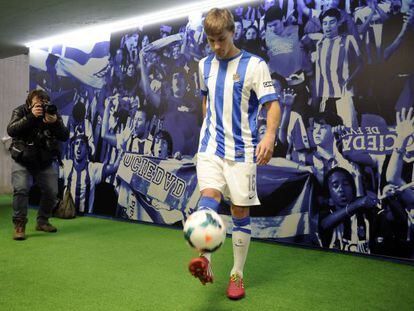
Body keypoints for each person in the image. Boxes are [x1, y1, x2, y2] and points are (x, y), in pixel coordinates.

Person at [188, 8, 281, 300]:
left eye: (221, 39)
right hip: (211, 148)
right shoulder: (204, 65)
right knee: (209, 198)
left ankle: (237, 274)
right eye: (211, 40)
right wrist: (208, 129)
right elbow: (206, 101)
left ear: (233, 32)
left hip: (242, 151)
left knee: (240, 212)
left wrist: (269, 135)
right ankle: (206, 260)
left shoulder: (255, 65)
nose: (216, 46)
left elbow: (273, 105)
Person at [7, 89, 69, 240]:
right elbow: (11, 130)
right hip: (22, 158)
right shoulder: (20, 111)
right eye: (38, 104)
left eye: (44, 103)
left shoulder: (52, 113)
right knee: (21, 189)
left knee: (51, 191)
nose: (41, 107)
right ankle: (20, 225)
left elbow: (65, 135)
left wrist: (55, 123)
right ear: (30, 103)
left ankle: (43, 221)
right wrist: (31, 117)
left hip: (44, 160)